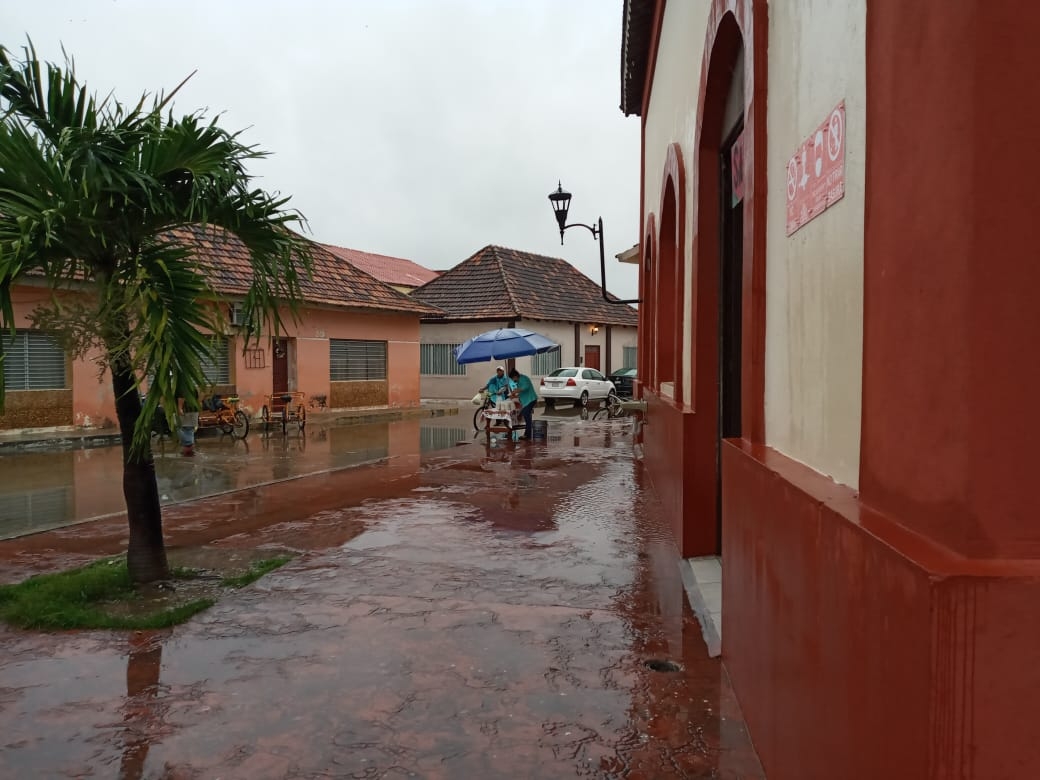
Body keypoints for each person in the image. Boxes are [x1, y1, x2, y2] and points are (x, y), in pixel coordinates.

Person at [509, 368, 538, 440]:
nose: (513, 380)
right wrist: (514, 395)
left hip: (531, 399)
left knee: (525, 414)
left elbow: (525, 387)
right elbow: (522, 393)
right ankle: (527, 434)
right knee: (526, 415)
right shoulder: (518, 381)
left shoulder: (523, 378)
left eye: (513, 379)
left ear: (515, 376)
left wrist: (515, 391)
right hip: (526, 401)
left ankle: (528, 435)